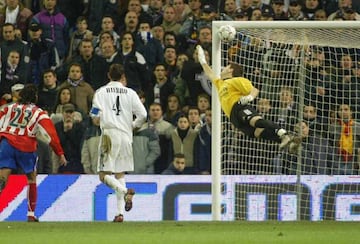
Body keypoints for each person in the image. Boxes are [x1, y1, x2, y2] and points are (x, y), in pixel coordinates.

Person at [196, 45, 292, 150]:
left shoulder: (236, 80)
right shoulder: (220, 83)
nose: (223, 69)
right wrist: (202, 60)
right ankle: (288, 142)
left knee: (255, 121)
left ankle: (284, 133)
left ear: (230, 71)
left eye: (226, 67)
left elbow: (254, 90)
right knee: (257, 132)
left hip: (239, 106)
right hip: (233, 117)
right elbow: (210, 74)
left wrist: (250, 97)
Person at [0, 84, 67, 222]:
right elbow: (50, 134)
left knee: (3, 178)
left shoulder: (8, 108)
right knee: (31, 178)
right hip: (26, 146)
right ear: (35, 96)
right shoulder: (39, 112)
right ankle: (31, 214)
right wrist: (59, 152)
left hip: (6, 144)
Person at [90, 63, 147, 222]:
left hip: (109, 134)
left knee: (103, 175)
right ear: (123, 77)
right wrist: (133, 126)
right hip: (126, 136)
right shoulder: (130, 93)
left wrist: (96, 119)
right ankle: (120, 213)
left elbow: (94, 112)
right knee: (120, 173)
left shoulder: (101, 92)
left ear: (109, 75)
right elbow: (143, 115)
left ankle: (123, 191)